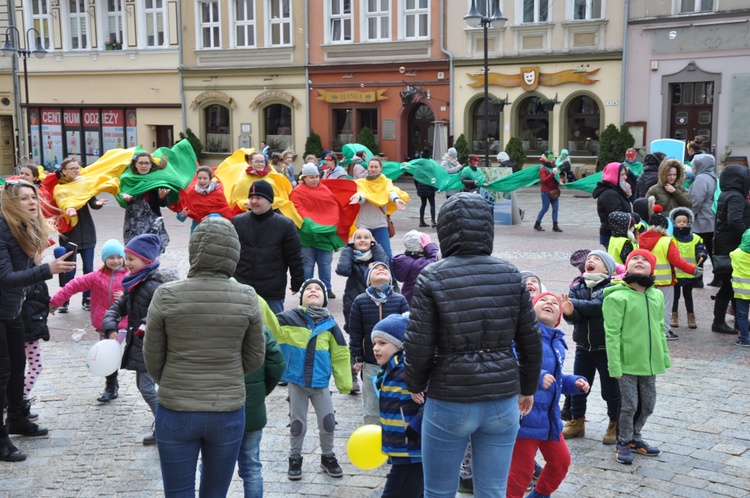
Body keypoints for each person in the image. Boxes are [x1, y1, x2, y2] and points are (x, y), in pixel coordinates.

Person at [404, 192, 543, 497]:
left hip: (450, 395)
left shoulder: (432, 276)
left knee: (438, 491)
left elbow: (419, 341)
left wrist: (415, 381)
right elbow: (530, 339)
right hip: (502, 395)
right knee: (492, 490)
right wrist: (528, 387)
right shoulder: (510, 274)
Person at [143, 217, 265, 496]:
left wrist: (174, 379)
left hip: (176, 408)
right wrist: (228, 372)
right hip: (227, 410)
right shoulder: (246, 296)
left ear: (193, 249)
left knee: (177, 492)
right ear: (234, 252)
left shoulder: (166, 295)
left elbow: (152, 357)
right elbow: (254, 357)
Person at [1, 180, 76, 461]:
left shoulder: (24, 227)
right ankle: (1, 438)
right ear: (10, 203)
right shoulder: (1, 229)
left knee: (18, 367)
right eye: (23, 199)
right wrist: (47, 270)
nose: (32, 202)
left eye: (33, 197)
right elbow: (5, 279)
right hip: (2, 308)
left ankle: (18, 419)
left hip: (14, 308)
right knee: (3, 373)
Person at [506, 292, 589, 498]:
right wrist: (535, 377)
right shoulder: (522, 337)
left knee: (561, 462)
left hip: (549, 419)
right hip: (525, 419)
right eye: (542, 300)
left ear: (559, 317)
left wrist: (574, 383)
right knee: (520, 473)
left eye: (554, 302)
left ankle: (540, 495)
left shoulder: (557, 342)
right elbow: (510, 365)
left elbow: (556, 380)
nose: (549, 303)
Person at [102, 233, 179, 445]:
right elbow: (118, 308)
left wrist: (145, 326)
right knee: (148, 387)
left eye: (130, 259)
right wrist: (110, 325)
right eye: (126, 258)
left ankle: (166, 426)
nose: (126, 264)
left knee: (147, 388)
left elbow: (162, 313)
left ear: (146, 260)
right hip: (141, 346)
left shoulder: (153, 285)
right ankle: (166, 424)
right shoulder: (135, 283)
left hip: (152, 346)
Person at [274, 278, 351, 480]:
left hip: (320, 383)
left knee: (328, 421)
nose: (313, 291)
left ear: (325, 298)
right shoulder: (287, 318)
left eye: (318, 289)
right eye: (308, 289)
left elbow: (341, 353)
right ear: (301, 297)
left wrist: (345, 383)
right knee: (297, 423)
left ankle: (327, 456)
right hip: (297, 382)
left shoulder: (330, 325)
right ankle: (295, 457)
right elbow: (268, 330)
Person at [604, 249, 671, 465]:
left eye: (645, 260)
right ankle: (623, 440)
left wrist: (664, 356)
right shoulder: (617, 297)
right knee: (629, 404)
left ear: (652, 267)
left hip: (650, 362)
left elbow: (660, 327)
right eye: (635, 259)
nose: (640, 261)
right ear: (627, 265)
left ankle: (635, 436)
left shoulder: (656, 295)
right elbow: (612, 334)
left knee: (648, 404)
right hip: (627, 363)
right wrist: (615, 366)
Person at [50, 239, 129, 403]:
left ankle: (110, 387)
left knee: (110, 351)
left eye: (118, 257)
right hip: (102, 324)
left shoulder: (130, 277)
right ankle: (112, 386)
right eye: (111, 257)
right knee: (108, 354)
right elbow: (73, 285)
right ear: (104, 259)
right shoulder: (96, 276)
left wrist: (126, 297)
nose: (115, 261)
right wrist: (54, 303)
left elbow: (143, 295)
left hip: (121, 324)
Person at [560, 251, 620, 445]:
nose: (590, 261)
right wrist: (569, 313)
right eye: (589, 259)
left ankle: (615, 423)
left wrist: (572, 304)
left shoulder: (611, 287)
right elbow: (577, 317)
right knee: (579, 385)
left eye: (597, 259)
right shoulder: (577, 286)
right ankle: (577, 421)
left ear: (607, 268)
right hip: (583, 347)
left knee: (610, 390)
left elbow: (598, 307)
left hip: (605, 349)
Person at [372, 313, 425, 498]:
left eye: (382, 343)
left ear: (400, 345)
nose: (376, 348)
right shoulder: (390, 369)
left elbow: (432, 399)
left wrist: (415, 427)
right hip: (400, 448)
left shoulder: (407, 369)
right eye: (374, 343)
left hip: (411, 449)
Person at [349, 261, 409, 425]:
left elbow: (408, 329)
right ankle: (372, 435)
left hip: (398, 363)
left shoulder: (399, 299)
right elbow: (355, 333)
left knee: (398, 399)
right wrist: (357, 358)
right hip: (371, 362)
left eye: (385, 268)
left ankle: (396, 431)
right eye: (376, 269)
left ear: (391, 279)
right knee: (372, 405)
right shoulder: (360, 301)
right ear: (368, 280)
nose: (381, 269)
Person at [232, 179, 304, 314]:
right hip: (242, 287)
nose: (254, 201)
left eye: (258, 197)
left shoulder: (285, 225)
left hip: (271, 290)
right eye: (251, 197)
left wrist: (297, 281)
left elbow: (294, 257)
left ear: (269, 200)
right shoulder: (238, 222)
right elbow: (230, 253)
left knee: (272, 330)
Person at [335, 228, 389, 394]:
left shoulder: (376, 256)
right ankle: (353, 375)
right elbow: (343, 269)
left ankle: (377, 375)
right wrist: (348, 250)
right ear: (353, 242)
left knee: (378, 339)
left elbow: (385, 263)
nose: (363, 240)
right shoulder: (351, 256)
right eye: (358, 238)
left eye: (367, 237)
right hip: (354, 302)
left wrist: (377, 247)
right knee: (356, 340)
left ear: (373, 241)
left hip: (376, 304)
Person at [638, 205, 701, 340]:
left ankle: (647, 330)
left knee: (647, 307)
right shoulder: (666, 241)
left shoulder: (641, 240)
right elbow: (677, 261)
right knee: (665, 308)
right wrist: (693, 270)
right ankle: (665, 331)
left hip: (646, 280)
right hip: (665, 281)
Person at [54, 157, 108, 313]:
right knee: (68, 269)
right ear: (64, 171)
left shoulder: (84, 184)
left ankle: (87, 297)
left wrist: (97, 204)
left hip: (87, 231)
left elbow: (92, 202)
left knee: (89, 269)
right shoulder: (60, 189)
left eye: (77, 168)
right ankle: (64, 299)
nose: (76, 171)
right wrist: (69, 208)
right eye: (72, 168)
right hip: (69, 233)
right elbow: (61, 202)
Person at [237, 323, 285, 497]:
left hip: (218, 411)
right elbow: (277, 364)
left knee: (211, 466)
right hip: (252, 412)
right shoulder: (259, 329)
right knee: (251, 467)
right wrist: (260, 392)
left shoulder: (213, 331)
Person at [289, 163, 340, 299]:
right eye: (311, 177)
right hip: (307, 235)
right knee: (308, 264)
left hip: (325, 235)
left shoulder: (325, 189)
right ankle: (306, 288)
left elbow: (333, 207)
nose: (315, 180)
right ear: (304, 177)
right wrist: (311, 225)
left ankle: (326, 288)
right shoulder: (297, 192)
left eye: (317, 176)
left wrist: (330, 224)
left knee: (325, 263)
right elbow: (298, 209)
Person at [712, 164, 750, 334]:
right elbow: (734, 221)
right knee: (729, 284)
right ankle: (720, 322)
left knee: (732, 284)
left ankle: (737, 322)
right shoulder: (736, 196)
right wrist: (747, 236)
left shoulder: (727, 193)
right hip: (732, 245)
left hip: (725, 243)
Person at [349, 157, 408, 261]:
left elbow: (390, 192)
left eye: (376, 167)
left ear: (380, 168)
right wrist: (358, 197)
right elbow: (361, 194)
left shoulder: (386, 181)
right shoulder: (361, 182)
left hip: (380, 224)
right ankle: (366, 276)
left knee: (387, 254)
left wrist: (396, 199)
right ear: (367, 168)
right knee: (363, 255)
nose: (373, 169)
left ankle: (391, 277)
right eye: (371, 167)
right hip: (364, 224)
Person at [120, 152, 171, 253]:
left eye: (147, 163)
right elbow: (122, 200)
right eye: (141, 163)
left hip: (152, 223)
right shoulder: (129, 180)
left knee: (152, 253)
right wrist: (126, 200)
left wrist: (162, 197)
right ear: (136, 164)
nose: (144, 166)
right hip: (133, 224)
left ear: (151, 165)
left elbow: (163, 203)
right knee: (134, 253)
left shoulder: (156, 180)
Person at [669, 207, 707, 330]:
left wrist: (701, 255)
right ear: (674, 222)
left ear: (689, 222)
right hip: (675, 273)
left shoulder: (695, 238)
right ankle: (673, 315)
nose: (681, 224)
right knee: (675, 296)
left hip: (689, 272)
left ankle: (691, 316)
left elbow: (700, 248)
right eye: (679, 221)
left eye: (684, 222)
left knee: (688, 296)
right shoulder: (671, 238)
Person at [688, 154, 717, 287]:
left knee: (698, 250)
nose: (692, 167)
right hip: (710, 218)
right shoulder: (712, 177)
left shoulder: (701, 178)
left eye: (694, 164)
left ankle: (697, 279)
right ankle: (719, 277)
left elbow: (696, 200)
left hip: (701, 220)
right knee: (711, 250)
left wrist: (689, 215)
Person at [174, 166, 233, 233]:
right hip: (197, 229)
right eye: (200, 178)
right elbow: (180, 216)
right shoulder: (191, 192)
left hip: (214, 229)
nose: (202, 181)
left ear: (210, 179)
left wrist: (211, 216)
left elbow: (225, 212)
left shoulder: (217, 192)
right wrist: (182, 215)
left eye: (205, 178)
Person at [21, 280, 50, 413]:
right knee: (36, 366)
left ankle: (16, 399)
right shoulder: (28, 277)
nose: (43, 257)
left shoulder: (36, 277)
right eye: (40, 256)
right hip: (27, 331)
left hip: (28, 329)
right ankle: (21, 399)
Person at [392, 230, 439, 305]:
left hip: (408, 299)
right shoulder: (418, 264)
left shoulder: (405, 260)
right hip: (420, 303)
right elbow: (437, 260)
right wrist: (429, 245)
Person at [593, 162, 633, 248]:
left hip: (619, 234)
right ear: (613, 176)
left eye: (625, 174)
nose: (625, 177)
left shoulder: (618, 190)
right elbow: (617, 215)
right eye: (622, 175)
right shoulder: (609, 194)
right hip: (612, 236)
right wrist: (634, 217)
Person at [730, 229, 750, 347]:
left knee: (742, 315)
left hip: (741, 292)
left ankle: (745, 339)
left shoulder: (736, 253)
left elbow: (731, 254)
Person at [534, 151, 563, 233]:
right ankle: (537, 224)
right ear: (546, 159)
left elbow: (556, 178)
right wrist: (552, 174)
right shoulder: (543, 169)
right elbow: (544, 180)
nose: (552, 160)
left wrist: (560, 180)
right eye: (550, 158)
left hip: (554, 191)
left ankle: (555, 225)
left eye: (553, 158)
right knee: (545, 208)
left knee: (555, 208)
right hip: (546, 192)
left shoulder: (554, 167)